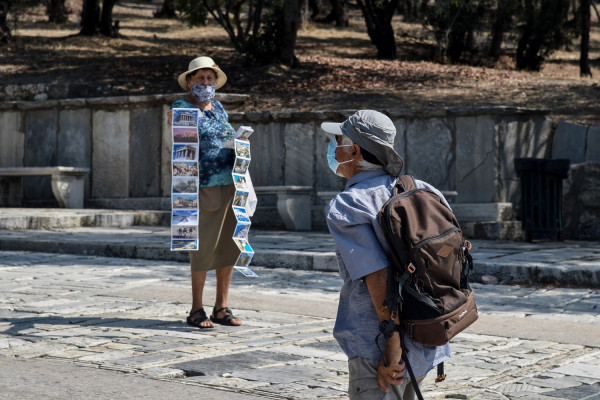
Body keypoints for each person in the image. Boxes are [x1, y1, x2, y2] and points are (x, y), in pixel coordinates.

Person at [320, 110, 451, 399]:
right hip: (428, 334)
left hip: (379, 343)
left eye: (336, 141)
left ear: (352, 150)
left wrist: (391, 347)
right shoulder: (424, 190)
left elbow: (377, 276)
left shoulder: (349, 205)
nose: (331, 146)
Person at [169, 56, 242, 329]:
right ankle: (196, 309)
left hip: (230, 184)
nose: (206, 83)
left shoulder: (219, 108)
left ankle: (221, 308)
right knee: (200, 247)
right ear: (189, 81)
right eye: (200, 78)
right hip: (200, 187)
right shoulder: (180, 107)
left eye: (210, 79)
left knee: (228, 245)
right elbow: (180, 138)